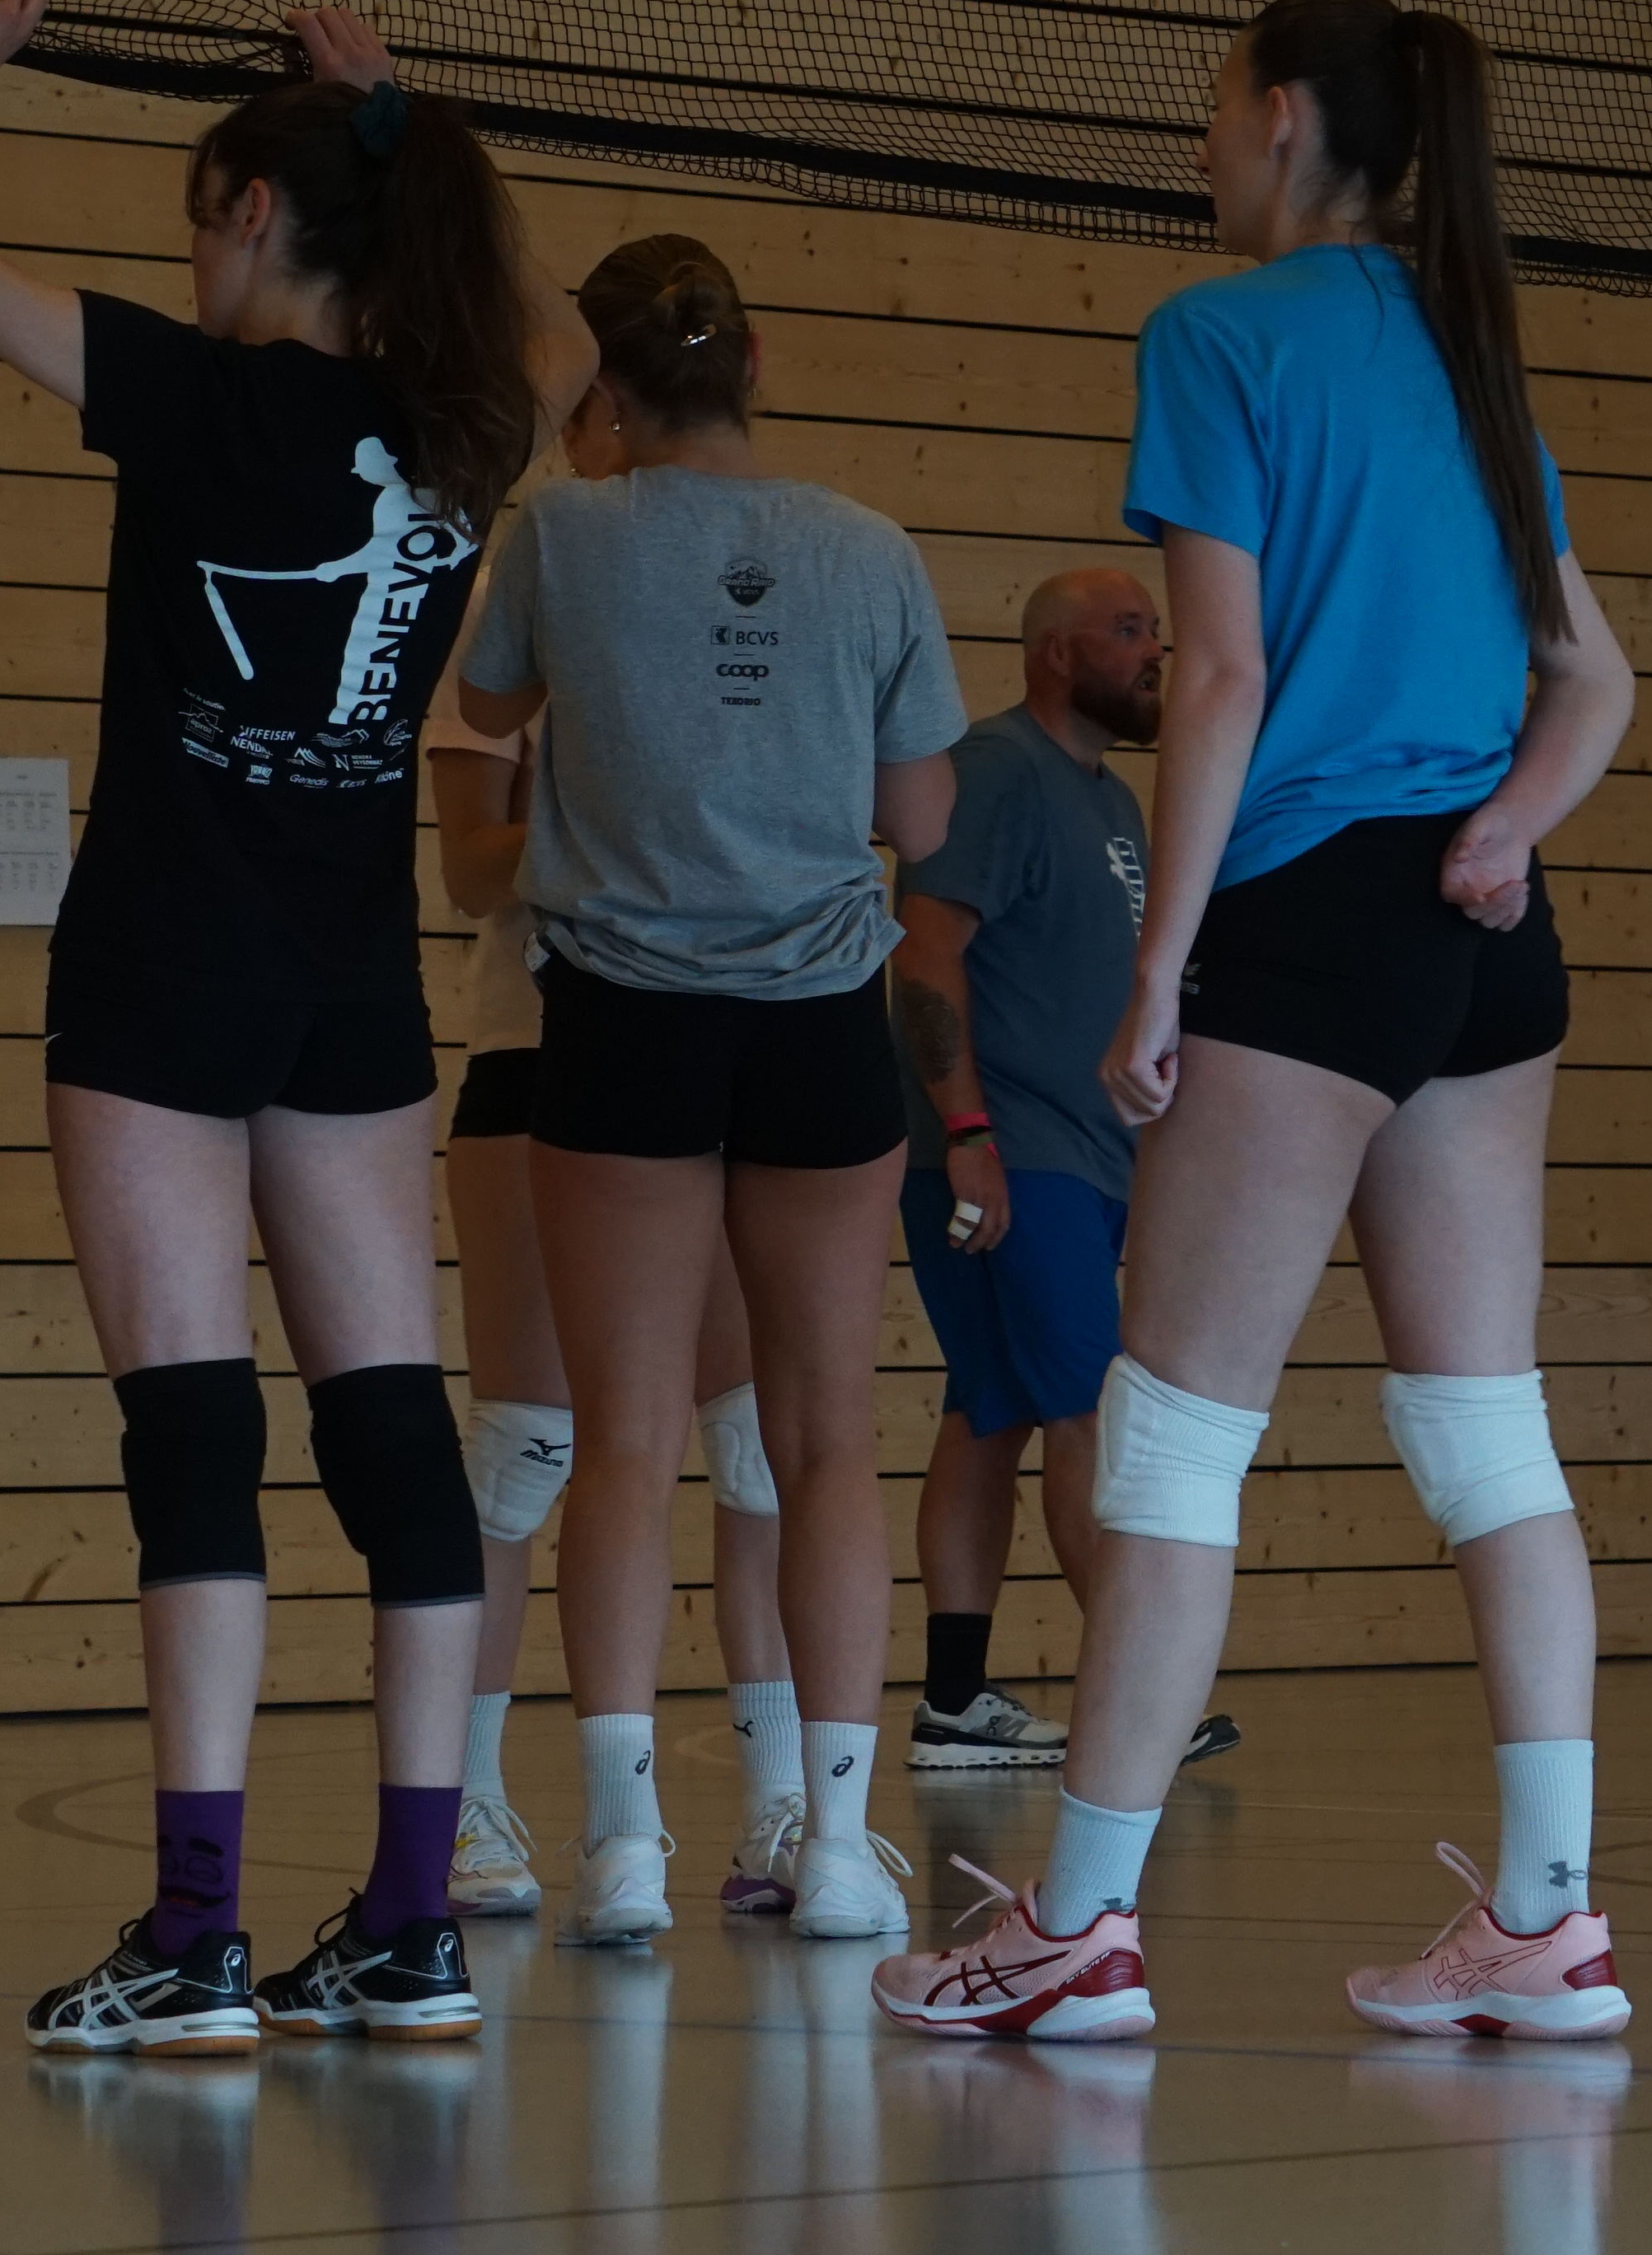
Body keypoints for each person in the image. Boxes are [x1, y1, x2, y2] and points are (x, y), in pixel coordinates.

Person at [871, 0, 1644, 2045]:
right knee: (1485, 1425)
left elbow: (1215, 679)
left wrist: (1159, 963)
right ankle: (1551, 1921)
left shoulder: (1222, 337)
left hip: (1308, 918)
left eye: (1215, 107)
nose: (1203, 144)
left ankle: (1075, 1930)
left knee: (1173, 1438)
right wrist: (1507, 831)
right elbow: (1597, 680)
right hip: (1488, 926)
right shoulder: (1474, 359)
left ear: (1286, 116)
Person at [0, 0, 592, 2048]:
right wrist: (404, 104)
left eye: (201, 221)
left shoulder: (189, 394)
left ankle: (193, 1938)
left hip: (165, 971)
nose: (192, 261)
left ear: (254, 214)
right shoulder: (464, 428)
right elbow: (556, 335)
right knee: (393, 1435)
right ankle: (414, 1925)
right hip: (349, 988)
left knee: (194, 1432)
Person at [454, 232, 970, 1950]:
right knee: (823, 1438)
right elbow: (924, 822)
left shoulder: (562, 533)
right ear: (754, 362)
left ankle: (622, 1847)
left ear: (602, 384)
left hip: (623, 1020)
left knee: (622, 1437)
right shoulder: (873, 549)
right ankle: (839, 1846)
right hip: (819, 1022)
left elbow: (490, 701)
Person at [425, 698, 811, 1917]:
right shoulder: (505, 648)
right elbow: (470, 869)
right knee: (525, 1450)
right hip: (541, 1048)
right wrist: (638, 825)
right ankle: (466, 1799)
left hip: (733, 1038)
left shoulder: (747, 637)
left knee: (755, 1444)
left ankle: (782, 1804)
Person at [884, 564, 1168, 1771]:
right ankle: (1139, 1702)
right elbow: (923, 950)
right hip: (1013, 1152)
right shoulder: (998, 770)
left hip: (1086, 1159)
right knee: (1087, 1407)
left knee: (989, 1407)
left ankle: (955, 1702)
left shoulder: (1115, 801)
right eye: (1129, 629)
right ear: (1057, 651)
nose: (1155, 650)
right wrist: (967, 1136)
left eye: (1156, 630)